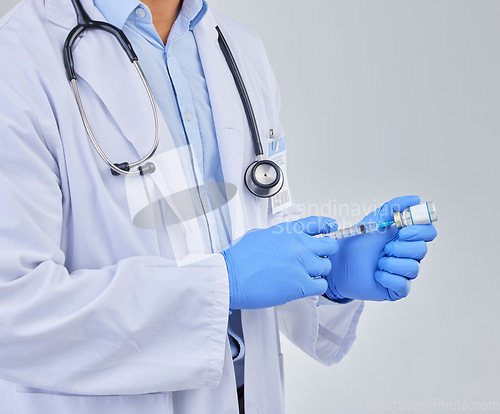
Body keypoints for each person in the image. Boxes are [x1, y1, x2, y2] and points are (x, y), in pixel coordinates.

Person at [0, 0, 437, 413]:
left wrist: (328, 277)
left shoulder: (237, 48)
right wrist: (221, 282)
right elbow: (12, 313)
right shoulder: (20, 57)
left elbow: (259, 220)